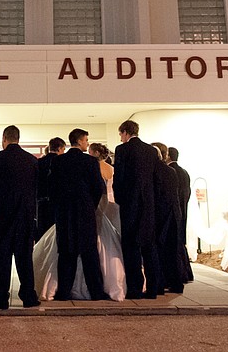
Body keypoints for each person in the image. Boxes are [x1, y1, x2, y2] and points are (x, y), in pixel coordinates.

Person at [46, 128, 108, 301]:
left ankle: (64, 292)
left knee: (66, 252)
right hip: (85, 212)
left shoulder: (58, 162)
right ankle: (96, 291)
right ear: (80, 141)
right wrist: (90, 205)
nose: (87, 143)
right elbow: (97, 188)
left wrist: (59, 206)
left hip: (64, 212)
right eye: (86, 140)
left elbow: (52, 188)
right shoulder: (90, 161)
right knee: (89, 253)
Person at [0, 126, 40, 309]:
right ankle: (28, 296)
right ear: (18, 138)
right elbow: (36, 188)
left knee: (2, 255)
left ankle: (1, 297)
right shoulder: (31, 160)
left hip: (4, 213)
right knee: (25, 256)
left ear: (4, 139)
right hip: (25, 214)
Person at [113, 120, 160, 299]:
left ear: (125, 132)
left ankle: (135, 288)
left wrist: (120, 200)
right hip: (148, 205)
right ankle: (154, 287)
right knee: (149, 246)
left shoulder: (122, 150)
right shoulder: (150, 151)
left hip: (130, 205)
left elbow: (120, 178)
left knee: (131, 247)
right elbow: (155, 179)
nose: (121, 138)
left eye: (120, 134)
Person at [152, 142, 185, 294]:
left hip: (162, 216)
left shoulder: (154, 171)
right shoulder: (171, 171)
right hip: (174, 215)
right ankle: (176, 283)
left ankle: (160, 284)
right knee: (173, 251)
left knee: (159, 251)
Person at [168, 146, 194, 283]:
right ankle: (186, 272)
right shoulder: (184, 172)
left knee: (174, 245)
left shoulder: (171, 172)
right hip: (182, 210)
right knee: (179, 243)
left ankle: (179, 274)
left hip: (173, 211)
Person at [36, 137, 65, 241]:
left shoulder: (39, 162)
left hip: (41, 203)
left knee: (42, 232)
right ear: (60, 148)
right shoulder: (62, 162)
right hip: (57, 203)